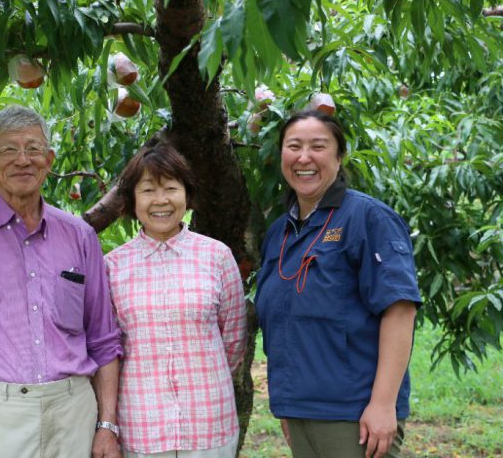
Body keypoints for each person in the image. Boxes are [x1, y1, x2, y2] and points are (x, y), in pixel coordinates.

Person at [0, 105, 123, 458]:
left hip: (73, 410)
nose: (22, 160)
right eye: (9, 149)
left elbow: (104, 339)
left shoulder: (80, 236)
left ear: (50, 159)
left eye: (33, 149)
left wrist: (106, 425)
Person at [254, 110, 421, 458]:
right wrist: (289, 405)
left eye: (318, 146)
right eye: (293, 146)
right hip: (301, 411)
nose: (304, 158)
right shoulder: (278, 233)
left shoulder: (367, 218)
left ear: (339, 155)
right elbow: (281, 321)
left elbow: (400, 310)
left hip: (353, 413)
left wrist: (383, 404)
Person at [104, 142, 247, 457]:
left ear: (187, 193)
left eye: (171, 188)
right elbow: (109, 348)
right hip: (142, 426)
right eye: (148, 191)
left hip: (209, 422)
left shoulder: (217, 257)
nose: (161, 201)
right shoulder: (113, 266)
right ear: (131, 200)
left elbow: (233, 342)